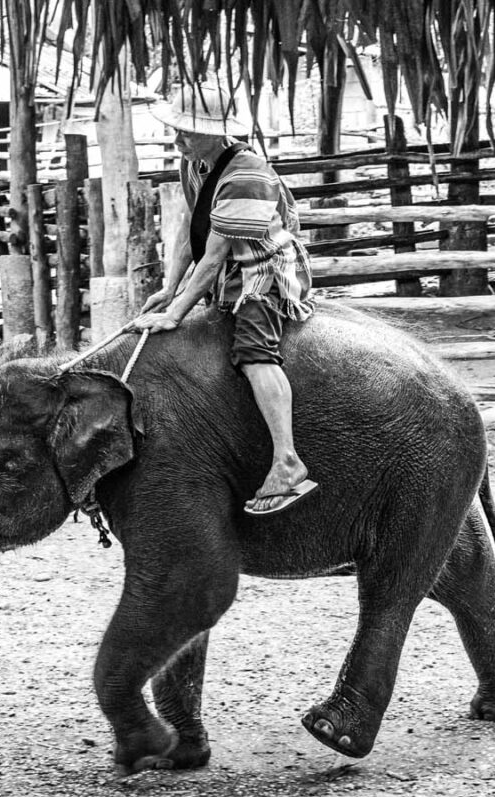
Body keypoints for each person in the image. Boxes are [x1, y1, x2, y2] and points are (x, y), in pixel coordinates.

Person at [133, 82, 318, 516]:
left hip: (263, 272)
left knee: (254, 353)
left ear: (218, 132)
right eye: (176, 129)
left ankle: (288, 460)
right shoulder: (196, 163)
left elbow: (215, 257)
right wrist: (169, 286)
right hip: (230, 270)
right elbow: (189, 228)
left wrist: (175, 314)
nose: (178, 139)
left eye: (188, 132)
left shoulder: (246, 175)